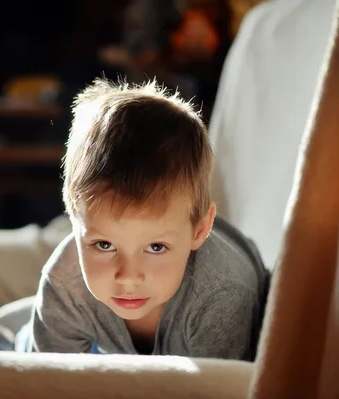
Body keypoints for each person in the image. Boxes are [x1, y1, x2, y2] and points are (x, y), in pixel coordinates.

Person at [19, 78, 269, 359]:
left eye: (156, 247)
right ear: (74, 223)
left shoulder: (221, 294)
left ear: (200, 229)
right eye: (104, 245)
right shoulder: (65, 286)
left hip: (220, 314)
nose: (128, 278)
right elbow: (47, 381)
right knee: (20, 342)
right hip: (91, 335)